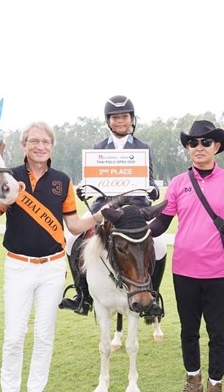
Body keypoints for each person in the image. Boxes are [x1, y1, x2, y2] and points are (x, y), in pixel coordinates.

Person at [0, 122, 104, 392]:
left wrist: (102, 215)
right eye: (33, 141)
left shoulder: (62, 180)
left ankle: (37, 389)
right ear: (23, 144)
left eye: (45, 141)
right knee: (13, 335)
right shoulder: (8, 176)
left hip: (51, 268)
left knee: (44, 334)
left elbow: (73, 225)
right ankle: (8, 391)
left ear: (52, 146)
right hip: (18, 266)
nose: (40, 146)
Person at [148, 120, 224, 392]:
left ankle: (215, 389)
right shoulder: (178, 183)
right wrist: (133, 228)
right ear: (188, 148)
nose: (199, 148)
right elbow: (162, 223)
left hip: (220, 272)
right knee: (188, 331)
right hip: (184, 272)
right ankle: (193, 383)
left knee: (218, 333)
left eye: (205, 142)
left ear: (216, 146)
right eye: (193, 143)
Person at [60, 95, 167, 316]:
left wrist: (153, 190)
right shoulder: (97, 147)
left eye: (124, 117)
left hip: (134, 209)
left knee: (159, 246)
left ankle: (152, 295)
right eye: (115, 117)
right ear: (108, 120)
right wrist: (84, 189)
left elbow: (150, 180)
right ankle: (82, 295)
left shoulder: (143, 147)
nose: (120, 121)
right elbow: (91, 180)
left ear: (132, 119)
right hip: (105, 208)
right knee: (72, 242)